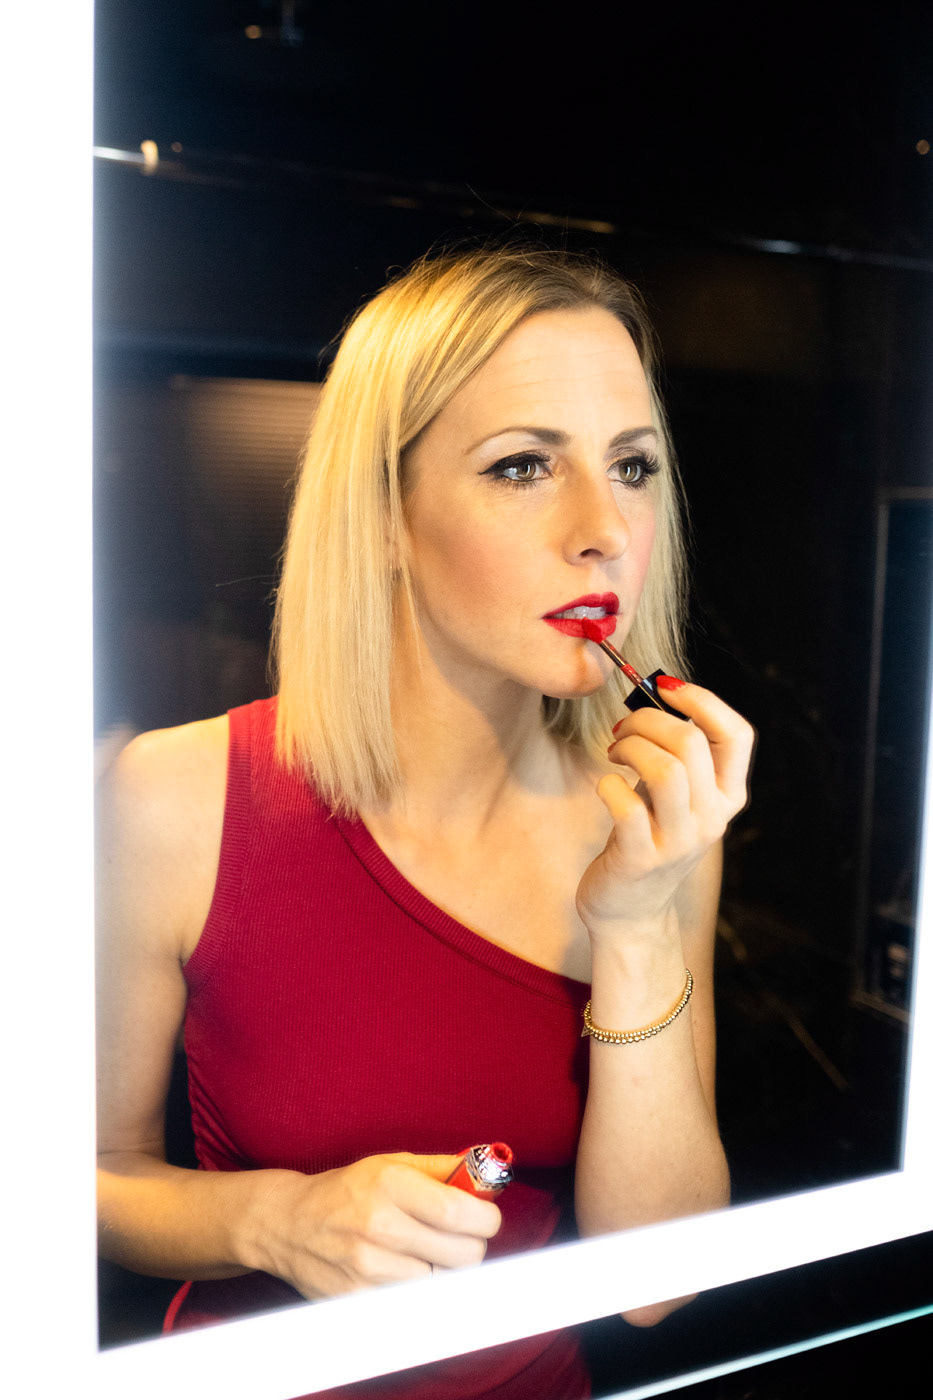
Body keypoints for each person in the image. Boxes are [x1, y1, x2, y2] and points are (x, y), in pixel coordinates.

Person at [96, 242, 755, 1400]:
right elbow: (84, 1174)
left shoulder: (654, 825)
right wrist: (273, 1217)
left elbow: (657, 1285)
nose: (605, 527)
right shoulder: (173, 797)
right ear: (384, 514)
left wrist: (638, 923)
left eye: (632, 464)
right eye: (523, 466)